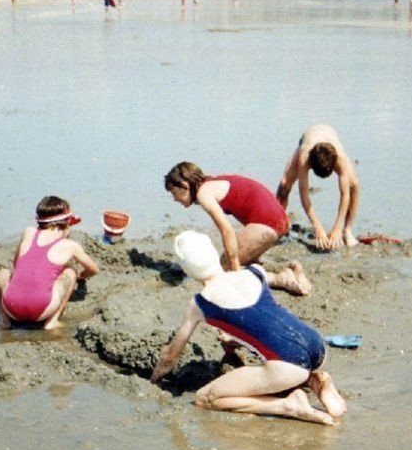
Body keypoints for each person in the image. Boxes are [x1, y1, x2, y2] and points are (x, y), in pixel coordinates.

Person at [150, 231, 346, 426]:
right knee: (283, 357)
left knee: (205, 398)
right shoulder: (253, 271)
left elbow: (170, 357)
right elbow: (264, 317)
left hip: (288, 364)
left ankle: (288, 405)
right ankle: (314, 377)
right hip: (317, 345)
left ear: (189, 270)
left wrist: (153, 382)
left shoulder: (200, 303)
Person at [164, 161, 310, 295]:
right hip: (277, 218)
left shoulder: (204, 194)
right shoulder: (212, 183)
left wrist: (234, 269)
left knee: (223, 268)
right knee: (242, 261)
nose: (175, 199)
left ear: (185, 185)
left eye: (174, 193)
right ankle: (288, 268)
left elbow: (227, 230)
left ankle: (280, 278)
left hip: (267, 222)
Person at [0, 196, 99, 329]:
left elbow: (16, 264)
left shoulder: (29, 232)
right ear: (66, 224)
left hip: (11, 307)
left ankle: (4, 319)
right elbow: (94, 270)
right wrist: (81, 276)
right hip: (41, 309)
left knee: (2, 273)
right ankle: (52, 321)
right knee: (70, 272)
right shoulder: (70, 245)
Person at [276, 123, 361, 249]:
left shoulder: (340, 158)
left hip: (331, 136)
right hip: (307, 139)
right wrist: (317, 227)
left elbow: (345, 194)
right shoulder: (305, 157)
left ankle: (347, 231)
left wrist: (337, 228)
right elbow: (303, 193)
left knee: (354, 184)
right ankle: (278, 227)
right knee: (284, 185)